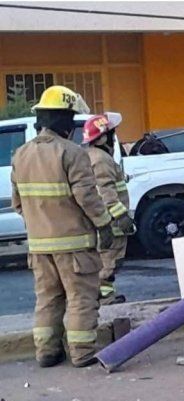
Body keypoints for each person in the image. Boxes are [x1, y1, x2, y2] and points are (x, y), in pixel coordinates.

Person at [11, 85, 114, 368]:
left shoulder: (20, 154)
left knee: (48, 301)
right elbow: (87, 197)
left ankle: (46, 352)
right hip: (75, 247)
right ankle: (81, 353)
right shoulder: (72, 153)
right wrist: (104, 225)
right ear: (64, 121)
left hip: (39, 248)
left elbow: (18, 203)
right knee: (81, 297)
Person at [81, 114, 136, 306]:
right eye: (112, 133)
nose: (114, 138)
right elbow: (105, 191)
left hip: (104, 219)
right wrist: (121, 216)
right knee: (109, 261)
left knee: (105, 260)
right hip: (111, 222)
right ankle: (105, 298)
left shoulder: (92, 156)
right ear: (103, 137)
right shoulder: (101, 159)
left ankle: (105, 295)